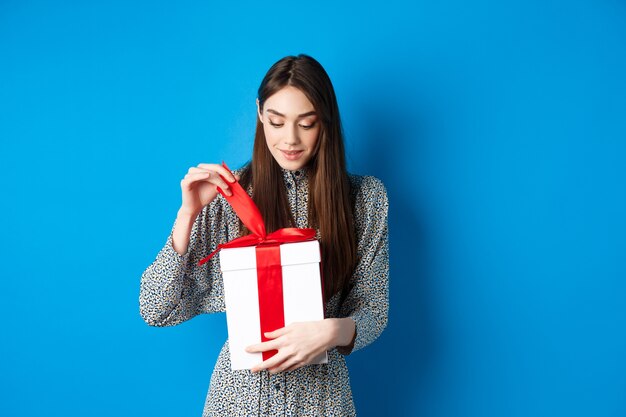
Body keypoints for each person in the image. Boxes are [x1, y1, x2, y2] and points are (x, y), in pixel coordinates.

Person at [139, 54, 389, 416]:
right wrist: (187, 213)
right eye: (276, 122)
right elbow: (154, 309)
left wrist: (333, 331)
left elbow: (374, 308)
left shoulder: (365, 199)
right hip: (240, 399)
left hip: (322, 401)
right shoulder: (229, 194)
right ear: (259, 114)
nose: (290, 139)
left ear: (326, 122)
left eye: (307, 123)